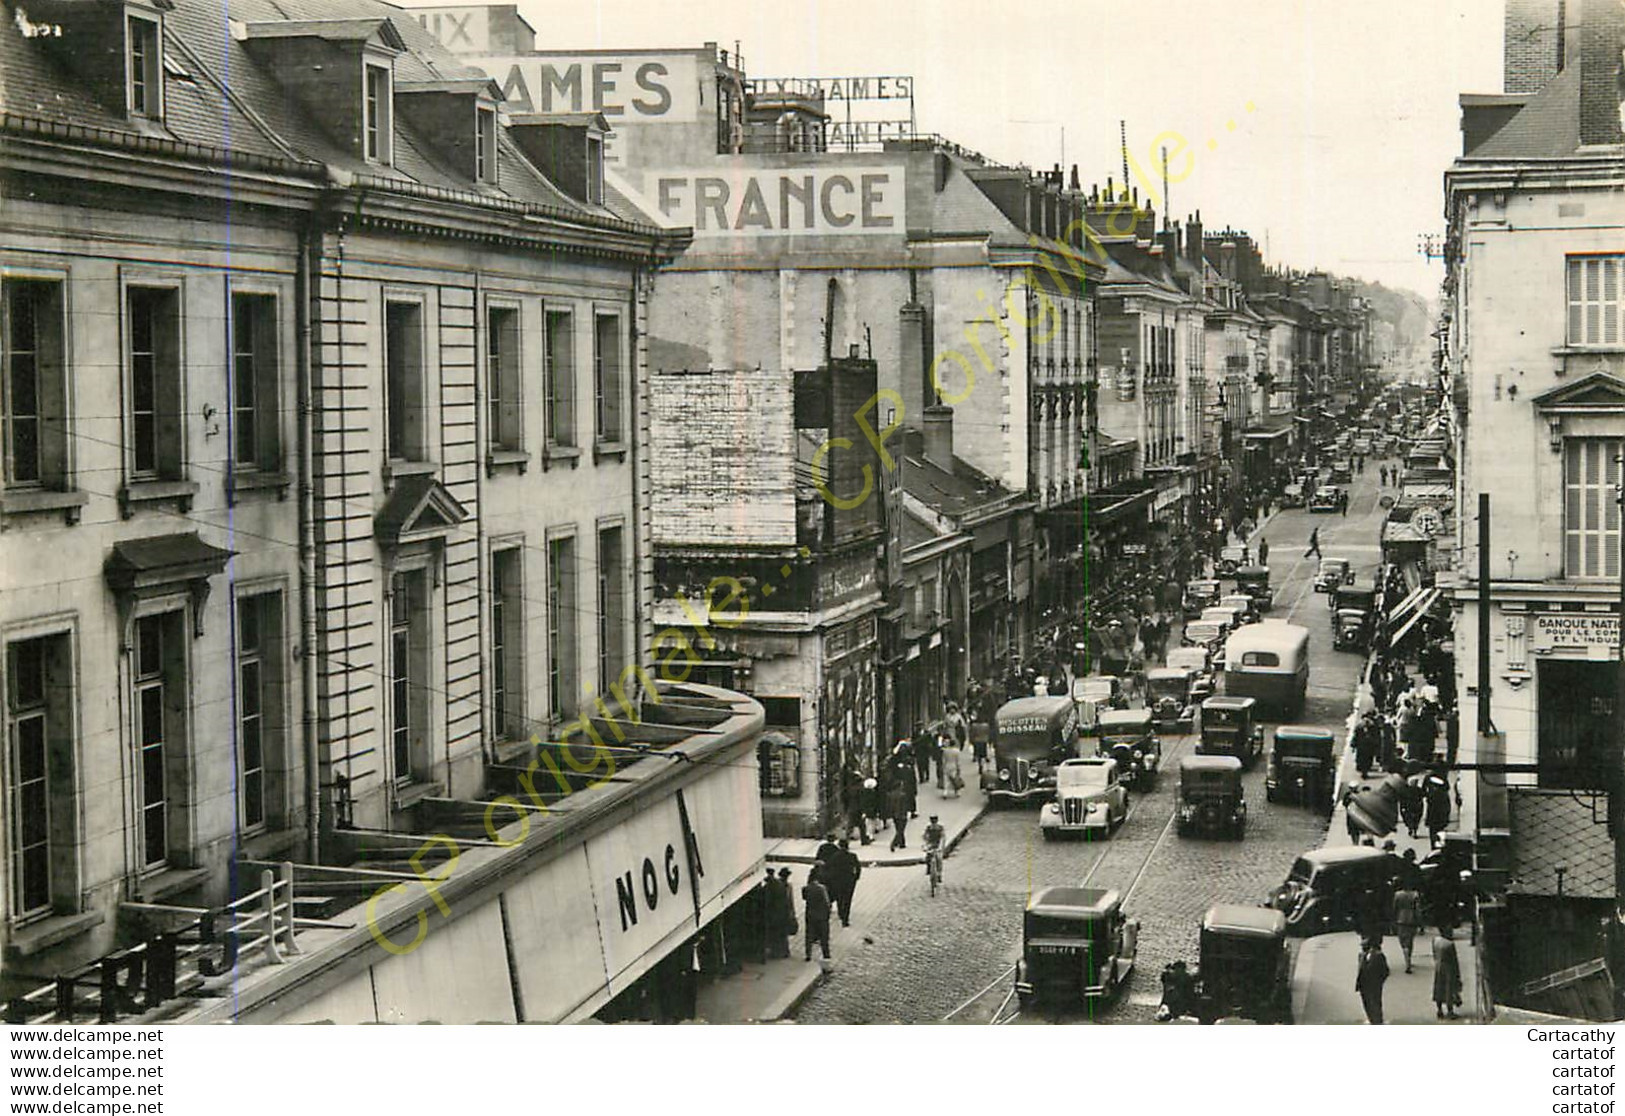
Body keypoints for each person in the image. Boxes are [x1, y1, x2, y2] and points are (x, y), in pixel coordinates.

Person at [823, 838, 861, 927]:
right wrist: (856, 877)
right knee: (848, 900)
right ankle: (845, 919)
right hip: (849, 881)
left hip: (838, 881)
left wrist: (831, 878)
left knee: (840, 898)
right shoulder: (852, 856)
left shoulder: (835, 856)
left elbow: (828, 868)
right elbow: (858, 867)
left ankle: (841, 913)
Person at [1355, 937, 1389, 1024]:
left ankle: (1378, 1020)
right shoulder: (1361, 956)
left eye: (1364, 946)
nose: (1363, 949)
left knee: (1375, 1002)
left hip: (1374, 984)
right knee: (1366, 1002)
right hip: (1363, 983)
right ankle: (1371, 1019)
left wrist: (1379, 981)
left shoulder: (1379, 955)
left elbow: (1385, 971)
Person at [802, 867, 832, 961]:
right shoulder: (822, 888)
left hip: (810, 913)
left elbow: (805, 898)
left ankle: (808, 954)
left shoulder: (806, 889)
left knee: (809, 935)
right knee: (824, 936)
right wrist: (828, 913)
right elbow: (827, 903)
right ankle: (826, 954)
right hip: (821, 915)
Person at [1432, 926, 1463, 1018]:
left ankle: (1439, 1010)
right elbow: (1454, 959)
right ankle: (1450, 1011)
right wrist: (1457, 975)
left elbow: (1434, 954)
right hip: (1449, 968)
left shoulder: (1435, 941)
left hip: (1438, 967)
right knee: (1449, 989)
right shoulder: (1449, 944)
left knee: (1438, 987)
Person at [766, 867, 796, 958]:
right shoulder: (779, 885)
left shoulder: (788, 885)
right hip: (780, 913)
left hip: (783, 913)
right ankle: (781, 951)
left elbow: (790, 900)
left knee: (782, 934)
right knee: (780, 934)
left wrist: (792, 912)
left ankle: (783, 951)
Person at [1392, 882, 1421, 973]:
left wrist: (1393, 919)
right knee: (1410, 940)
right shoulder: (1415, 894)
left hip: (1401, 920)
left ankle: (1407, 961)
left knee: (1403, 942)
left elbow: (1394, 908)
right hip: (1412, 920)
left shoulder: (1397, 895)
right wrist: (1420, 922)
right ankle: (1409, 959)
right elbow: (1417, 909)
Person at [923, 814, 946, 885]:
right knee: (927, 857)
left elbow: (942, 837)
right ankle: (928, 868)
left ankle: (939, 874)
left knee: (939, 858)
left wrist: (941, 846)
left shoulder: (940, 828)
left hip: (938, 844)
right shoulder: (928, 828)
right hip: (931, 844)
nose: (933, 822)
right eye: (932, 821)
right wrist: (926, 845)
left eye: (934, 821)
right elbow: (925, 836)